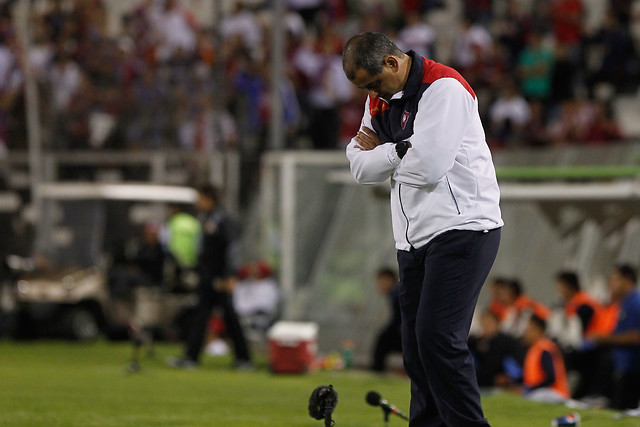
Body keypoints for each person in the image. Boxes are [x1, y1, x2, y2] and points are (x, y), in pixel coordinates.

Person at [342, 32, 503, 427]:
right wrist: (401, 148)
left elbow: (430, 165)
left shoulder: (443, 87)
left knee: (437, 340)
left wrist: (385, 151)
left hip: (463, 227)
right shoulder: (380, 98)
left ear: (393, 64)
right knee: (416, 348)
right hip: (413, 238)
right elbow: (359, 168)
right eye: (365, 89)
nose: (372, 95)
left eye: (374, 83)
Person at [168, 185, 252, 369]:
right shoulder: (207, 219)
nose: (197, 202)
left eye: (200, 198)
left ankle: (244, 359)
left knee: (229, 317)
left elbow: (232, 249)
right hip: (208, 277)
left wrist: (230, 275)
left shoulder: (222, 220)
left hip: (220, 279)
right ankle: (191, 357)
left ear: (208, 198)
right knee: (201, 316)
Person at [589, 264, 640, 409]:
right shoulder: (624, 302)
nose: (611, 283)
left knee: (623, 410)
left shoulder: (636, 302)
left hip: (632, 368)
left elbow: (637, 336)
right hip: (621, 365)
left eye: (615, 279)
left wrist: (606, 339)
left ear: (627, 280)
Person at [468, 310, 526, 388]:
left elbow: (517, 364)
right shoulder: (475, 342)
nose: (485, 326)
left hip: (503, 383)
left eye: (489, 323)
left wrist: (510, 377)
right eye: (483, 323)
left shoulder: (508, 342)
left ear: (497, 323)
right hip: (482, 381)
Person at [520, 315, 570, 403]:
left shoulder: (545, 348)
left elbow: (551, 377)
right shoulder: (534, 348)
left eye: (529, 330)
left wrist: (532, 388)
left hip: (553, 392)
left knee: (529, 399)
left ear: (539, 331)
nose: (525, 333)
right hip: (540, 391)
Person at [370, 267, 402, 373]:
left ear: (388, 280)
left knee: (383, 340)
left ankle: (377, 369)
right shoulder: (395, 293)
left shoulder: (396, 293)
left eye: (379, 281)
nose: (378, 285)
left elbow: (398, 318)